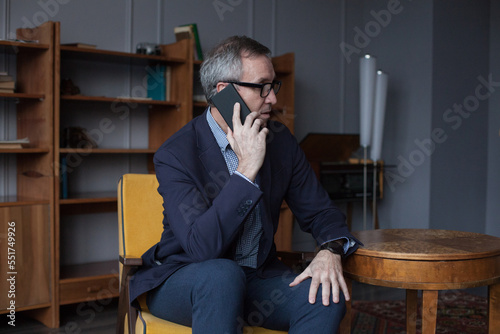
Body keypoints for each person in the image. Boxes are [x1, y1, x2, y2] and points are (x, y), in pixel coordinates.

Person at [129, 35, 360, 334]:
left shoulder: (280, 141)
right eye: (262, 86)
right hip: (186, 278)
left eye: (273, 85)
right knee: (221, 275)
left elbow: (321, 212)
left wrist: (331, 249)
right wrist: (247, 169)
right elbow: (201, 248)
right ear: (225, 92)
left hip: (255, 279)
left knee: (325, 298)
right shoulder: (176, 154)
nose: (273, 98)